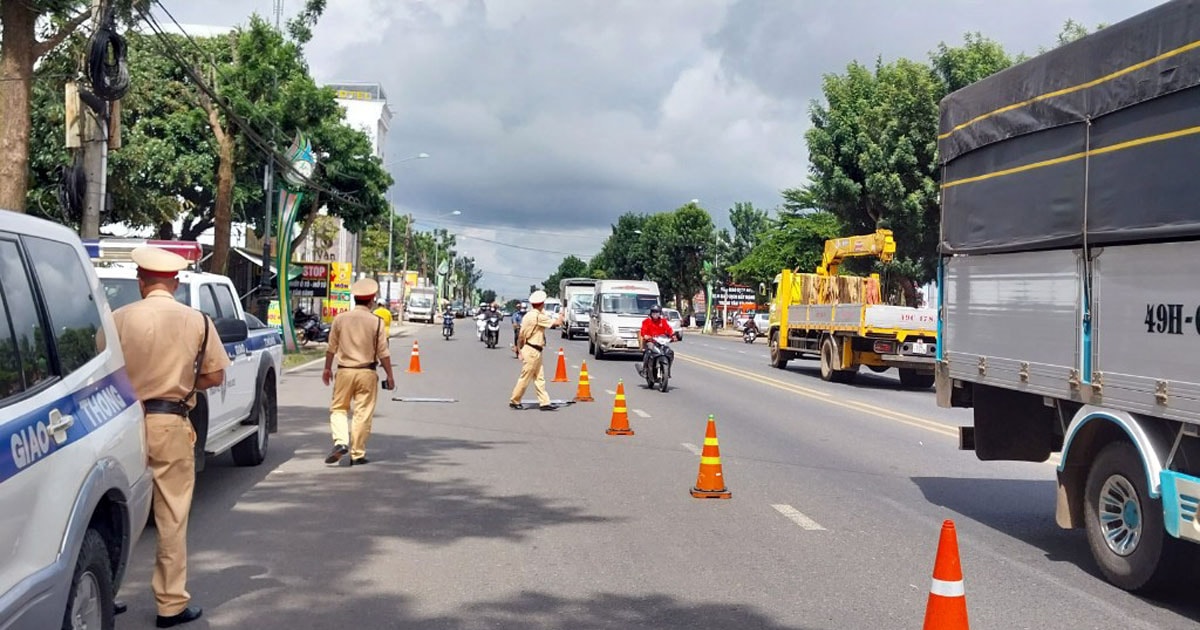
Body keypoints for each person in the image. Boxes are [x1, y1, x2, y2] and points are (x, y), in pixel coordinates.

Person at [112, 246, 229, 628]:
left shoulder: (116, 318)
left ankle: (105, 592)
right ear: (176, 283)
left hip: (123, 426)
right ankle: (170, 604)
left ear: (140, 281)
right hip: (172, 422)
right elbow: (215, 376)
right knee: (172, 517)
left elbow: (102, 374)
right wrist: (179, 383)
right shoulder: (197, 321)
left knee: (112, 511)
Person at [323, 278, 396, 466]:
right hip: (367, 373)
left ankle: (340, 441)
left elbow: (331, 348)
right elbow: (383, 352)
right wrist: (390, 374)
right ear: (371, 300)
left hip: (344, 371)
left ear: (355, 298)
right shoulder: (377, 322)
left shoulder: (340, 319)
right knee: (362, 412)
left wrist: (326, 369)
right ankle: (357, 453)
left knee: (339, 409)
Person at [509, 291, 565, 410]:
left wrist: (519, 350)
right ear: (541, 304)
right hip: (533, 350)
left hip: (531, 348)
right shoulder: (538, 317)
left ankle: (544, 402)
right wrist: (562, 314)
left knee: (539, 378)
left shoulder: (527, 316)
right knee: (526, 377)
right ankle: (515, 400)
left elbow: (520, 336)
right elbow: (557, 323)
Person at [638, 304, 676, 377]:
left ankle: (668, 370)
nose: (655, 314)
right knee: (649, 350)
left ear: (660, 313)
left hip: (661, 342)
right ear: (651, 313)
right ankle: (645, 370)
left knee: (670, 353)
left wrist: (673, 335)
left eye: (657, 312)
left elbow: (669, 329)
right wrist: (646, 336)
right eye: (653, 312)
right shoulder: (646, 321)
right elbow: (643, 331)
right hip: (651, 341)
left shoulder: (663, 321)